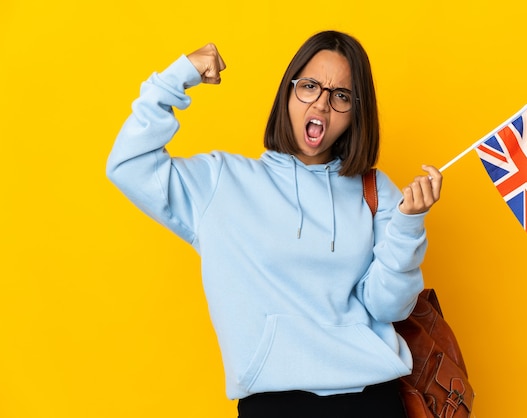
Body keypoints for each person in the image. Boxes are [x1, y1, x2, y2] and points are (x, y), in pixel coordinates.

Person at [107, 30, 443, 418]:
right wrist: (177, 77)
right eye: (310, 86)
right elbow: (129, 165)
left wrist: (407, 226)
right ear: (288, 92)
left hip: (371, 400)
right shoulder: (222, 183)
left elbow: (388, 308)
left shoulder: (375, 189)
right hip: (273, 403)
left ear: (356, 113)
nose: (321, 103)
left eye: (341, 95)